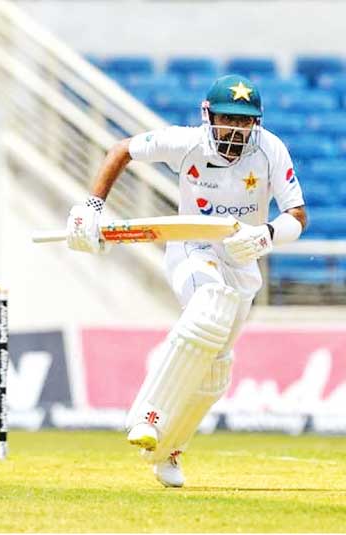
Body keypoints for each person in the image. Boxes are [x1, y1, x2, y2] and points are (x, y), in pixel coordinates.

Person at [64, 74, 307, 487]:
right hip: (191, 248)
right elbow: (122, 149)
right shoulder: (186, 142)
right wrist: (91, 207)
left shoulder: (271, 150)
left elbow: (297, 216)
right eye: (227, 118)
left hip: (242, 257)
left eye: (245, 121)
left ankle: (168, 451)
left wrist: (265, 234)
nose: (236, 129)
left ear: (257, 123)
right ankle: (149, 415)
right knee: (207, 309)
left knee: (215, 371)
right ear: (208, 115)